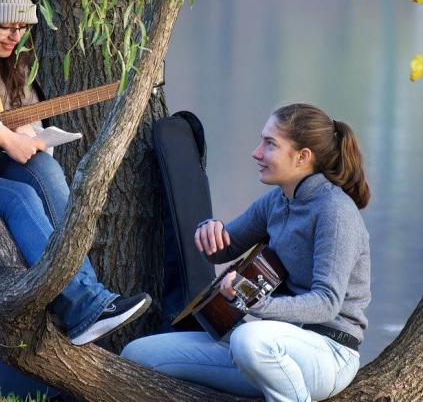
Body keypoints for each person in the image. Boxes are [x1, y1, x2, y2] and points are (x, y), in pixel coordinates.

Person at [122, 103, 371, 402]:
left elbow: (327, 303)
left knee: (247, 339)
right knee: (137, 353)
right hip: (269, 347)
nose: (257, 153)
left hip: (328, 353)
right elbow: (222, 249)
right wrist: (208, 230)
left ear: (303, 157)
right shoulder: (276, 202)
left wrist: (254, 303)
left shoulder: (335, 211)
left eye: (270, 144)